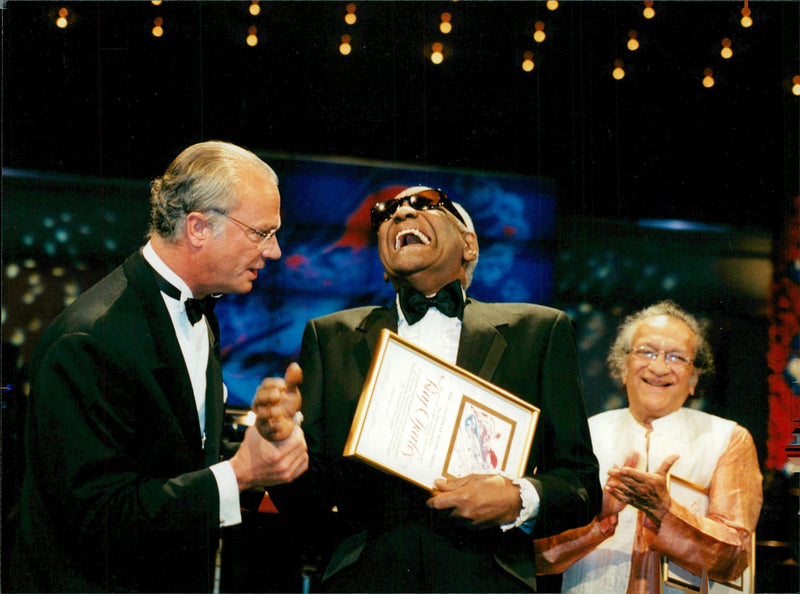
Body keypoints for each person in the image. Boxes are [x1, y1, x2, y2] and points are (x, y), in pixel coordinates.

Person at [263, 186, 601, 592]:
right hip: (365, 581)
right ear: (384, 265)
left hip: (488, 581)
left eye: (426, 204)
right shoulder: (329, 337)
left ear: (469, 245)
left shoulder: (540, 332)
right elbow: (309, 506)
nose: (402, 213)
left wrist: (517, 498)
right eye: (387, 212)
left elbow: (581, 485)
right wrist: (283, 448)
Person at [10, 141, 309, 593]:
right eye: (262, 233)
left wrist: (260, 437)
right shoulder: (89, 341)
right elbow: (102, 520)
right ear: (198, 228)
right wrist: (241, 472)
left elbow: (177, 456)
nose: (275, 252)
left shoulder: (202, 310)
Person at [533, 300, 763, 593]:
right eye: (647, 352)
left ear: (693, 379)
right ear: (623, 367)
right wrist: (598, 518)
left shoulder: (729, 439)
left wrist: (666, 511)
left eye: (677, 357)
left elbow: (736, 556)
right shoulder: (583, 433)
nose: (658, 367)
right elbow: (537, 555)